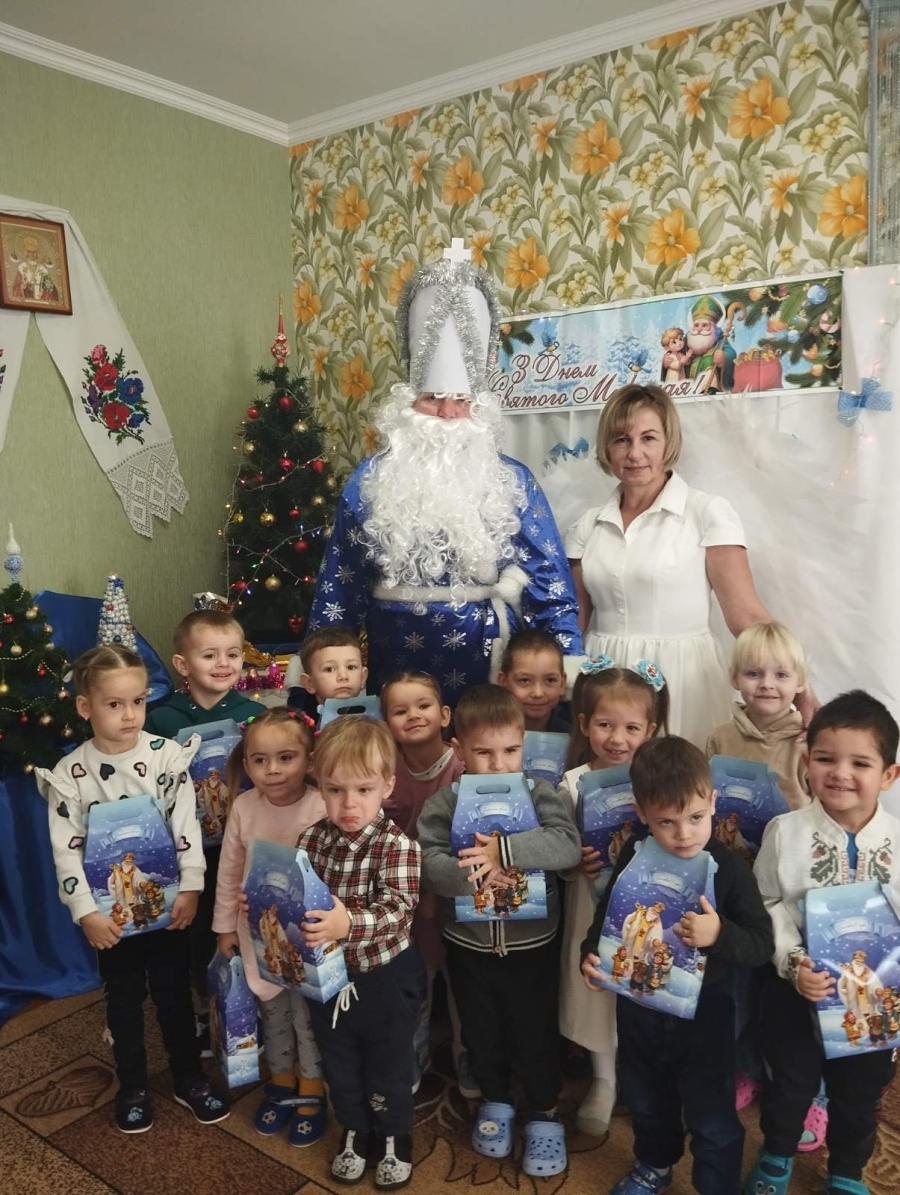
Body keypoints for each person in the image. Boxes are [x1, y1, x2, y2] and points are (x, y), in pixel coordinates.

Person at [307, 254, 582, 701]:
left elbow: (550, 588)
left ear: (480, 407)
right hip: (394, 664)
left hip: (490, 665)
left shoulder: (513, 480)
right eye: (433, 398)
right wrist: (316, 677)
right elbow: (339, 585)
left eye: (461, 400)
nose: (448, 414)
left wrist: (567, 669)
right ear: (408, 403)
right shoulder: (370, 479)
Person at [36, 645, 228, 1134]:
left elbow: (186, 826)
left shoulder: (164, 757)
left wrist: (191, 886)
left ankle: (189, 1077)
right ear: (85, 707)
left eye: (138, 701)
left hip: (166, 908)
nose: (129, 715)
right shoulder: (71, 776)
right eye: (114, 704)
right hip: (110, 919)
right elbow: (66, 850)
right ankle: (134, 1086)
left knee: (173, 992)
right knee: (122, 1000)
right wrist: (86, 912)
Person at [566, 383, 817, 749]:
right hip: (606, 675)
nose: (635, 453)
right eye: (622, 440)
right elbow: (575, 619)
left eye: (648, 438)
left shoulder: (707, 513)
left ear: (669, 442)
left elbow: (746, 616)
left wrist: (802, 689)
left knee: (683, 778)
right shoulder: (586, 526)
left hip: (682, 678)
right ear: (607, 447)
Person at [581, 737, 773, 1194]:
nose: (684, 834)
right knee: (646, 1101)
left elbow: (761, 944)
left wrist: (719, 934)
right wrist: (590, 954)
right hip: (640, 1012)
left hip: (706, 1021)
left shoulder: (730, 870)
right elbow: (608, 915)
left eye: (696, 818)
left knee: (711, 1115)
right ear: (642, 812)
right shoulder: (633, 853)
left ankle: (716, 1185)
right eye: (667, 821)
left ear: (713, 802)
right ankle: (654, 1164)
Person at [417, 685, 582, 1178]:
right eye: (484, 752)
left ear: (523, 745)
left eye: (510, 750)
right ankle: (495, 1099)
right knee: (480, 1028)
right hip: (469, 947)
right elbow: (428, 865)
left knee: (535, 1032)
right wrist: (474, 871)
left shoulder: (540, 794)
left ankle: (545, 1111)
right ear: (458, 750)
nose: (498, 764)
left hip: (533, 945)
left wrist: (505, 852)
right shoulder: (444, 803)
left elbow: (566, 847)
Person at [744, 691, 900, 1195]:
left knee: (860, 1097)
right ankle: (776, 1156)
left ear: (889, 774)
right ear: (807, 761)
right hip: (797, 992)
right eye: (826, 759)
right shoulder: (784, 832)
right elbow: (767, 902)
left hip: (873, 1003)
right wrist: (793, 963)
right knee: (789, 1085)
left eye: (860, 763)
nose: (840, 774)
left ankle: (847, 1173)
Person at [298, 716, 423, 1190]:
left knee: (389, 1061)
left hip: (385, 977)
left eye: (364, 790)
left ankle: (393, 1135)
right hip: (327, 977)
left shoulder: (398, 846)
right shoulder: (311, 839)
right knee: (339, 1059)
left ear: (387, 786)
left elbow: (398, 911)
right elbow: (298, 901)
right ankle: (354, 1127)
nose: (349, 804)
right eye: (335, 790)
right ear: (319, 784)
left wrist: (347, 923)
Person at [145, 607, 263, 1053]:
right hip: (188, 850)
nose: (223, 663)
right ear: (182, 664)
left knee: (241, 921)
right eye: (209, 654)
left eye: (232, 653)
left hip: (242, 844)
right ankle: (205, 1007)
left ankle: (249, 1007)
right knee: (195, 930)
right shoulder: (161, 720)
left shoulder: (254, 715)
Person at [559, 659, 669, 1138]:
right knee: (598, 989)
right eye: (605, 725)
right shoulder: (572, 783)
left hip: (650, 909)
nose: (617, 739)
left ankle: (648, 1077)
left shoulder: (660, 778)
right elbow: (557, 848)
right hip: (590, 906)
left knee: (648, 983)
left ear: (651, 729)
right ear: (585, 724)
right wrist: (573, 864)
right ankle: (603, 1079)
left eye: (630, 728)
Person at [212, 709, 327, 1146]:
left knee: (307, 1018)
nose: (272, 770)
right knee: (273, 1012)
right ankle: (281, 1082)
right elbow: (229, 871)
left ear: (310, 760)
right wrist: (225, 928)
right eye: (259, 760)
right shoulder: (244, 807)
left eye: (285, 757)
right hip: (257, 935)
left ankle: (312, 1088)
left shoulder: (321, 806)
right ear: (246, 764)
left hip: (309, 936)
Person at [380, 670, 468, 1095]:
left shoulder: (464, 767)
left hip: (456, 896)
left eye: (423, 706)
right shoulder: (385, 773)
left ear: (444, 715)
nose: (413, 715)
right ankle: (413, 1052)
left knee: (462, 982)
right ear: (387, 723)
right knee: (413, 981)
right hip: (402, 900)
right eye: (400, 711)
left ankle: (466, 1054)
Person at [497, 628, 571, 733]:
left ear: (562, 683)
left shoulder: (574, 735)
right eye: (524, 680)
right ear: (503, 682)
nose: (538, 693)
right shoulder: (481, 732)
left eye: (550, 680)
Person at [284, 626, 367, 708]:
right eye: (329, 669)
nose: (343, 676)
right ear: (310, 683)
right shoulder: (300, 716)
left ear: (363, 678)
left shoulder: (370, 714)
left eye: (351, 667)